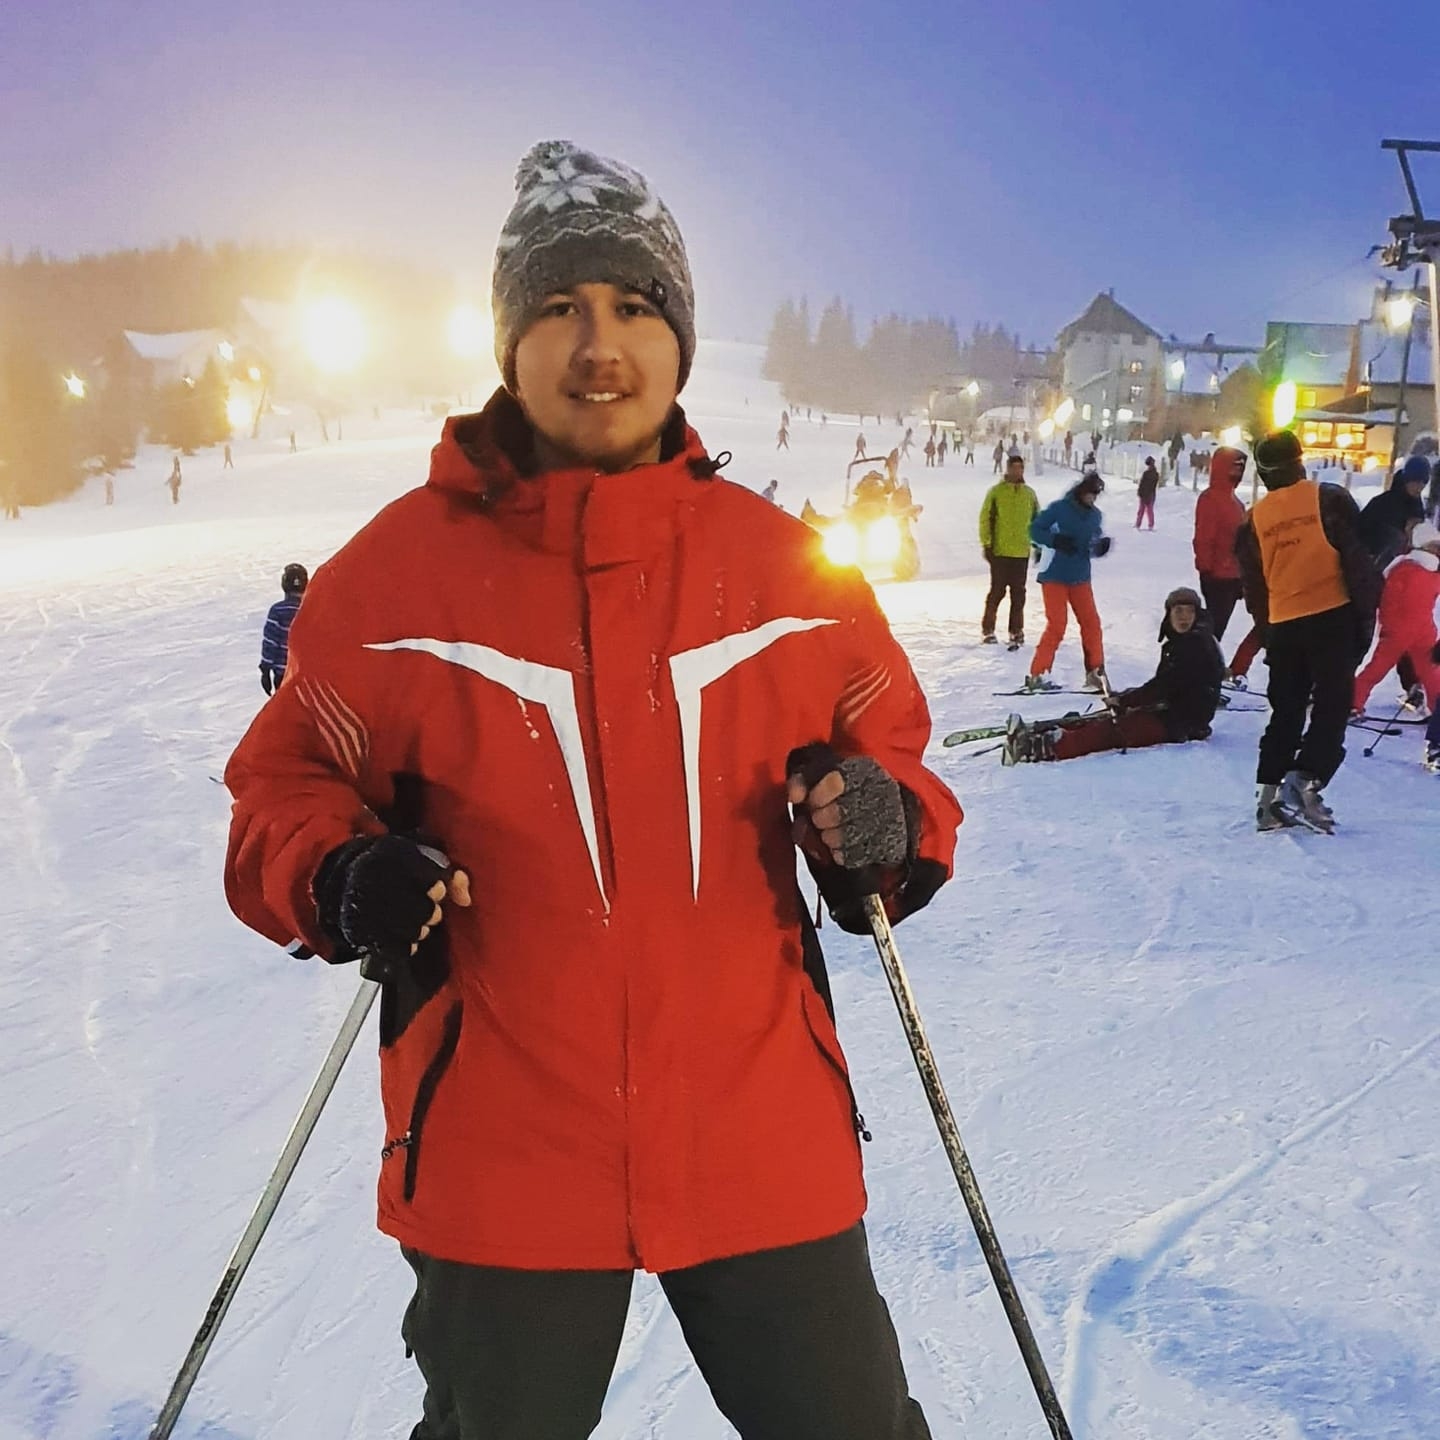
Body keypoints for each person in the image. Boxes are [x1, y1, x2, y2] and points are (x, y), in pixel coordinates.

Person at [222, 138, 961, 1440]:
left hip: (757, 1137)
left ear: (680, 339)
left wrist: (884, 820)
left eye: (632, 306)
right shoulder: (390, 585)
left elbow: (895, 754)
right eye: (559, 306)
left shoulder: (790, 579)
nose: (599, 344)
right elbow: (280, 792)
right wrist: (338, 872)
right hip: (504, 1152)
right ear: (510, 342)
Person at [1236, 430, 1379, 832]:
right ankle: (1305, 779)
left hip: (1284, 623)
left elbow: (1255, 588)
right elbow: (1359, 563)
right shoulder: (1329, 499)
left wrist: (1268, 633)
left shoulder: (1253, 521)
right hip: (1331, 615)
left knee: (1286, 710)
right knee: (1332, 705)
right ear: (1299, 462)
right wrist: (1363, 620)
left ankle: (1268, 800)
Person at [1004, 587, 1223, 762]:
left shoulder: (1195, 645)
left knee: (1113, 731)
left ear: (1197, 615)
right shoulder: (1183, 641)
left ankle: (1042, 747)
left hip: (1181, 723)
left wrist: (1126, 701)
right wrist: (1127, 699)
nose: (1184, 617)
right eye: (1178, 611)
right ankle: (1050, 732)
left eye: (1189, 611)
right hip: (1170, 712)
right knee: (1110, 717)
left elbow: (1164, 686)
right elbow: (1166, 686)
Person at [1352, 522, 1440, 763]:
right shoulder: (1427, 571)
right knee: (1429, 671)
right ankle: (1436, 710)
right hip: (1417, 629)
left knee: (1380, 668)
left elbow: (1387, 602)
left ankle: (1353, 703)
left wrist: (1387, 626)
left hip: (1404, 630)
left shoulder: (1401, 567)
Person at [1025, 471, 1111, 692]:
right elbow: (1034, 530)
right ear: (1081, 491)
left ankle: (1095, 671)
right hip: (1054, 575)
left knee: (1091, 624)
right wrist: (1054, 540)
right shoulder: (1059, 509)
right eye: (1090, 493)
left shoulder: (1095, 516)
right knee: (1057, 625)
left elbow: (1091, 542)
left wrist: (1099, 547)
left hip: (1080, 576)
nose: (1092, 498)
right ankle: (1038, 673)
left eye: (1096, 495)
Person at [978, 454, 1039, 647]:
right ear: (1007, 469)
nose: (1017, 471)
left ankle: (1016, 630)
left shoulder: (1029, 494)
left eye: (1020, 468)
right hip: (1000, 551)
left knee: (1018, 594)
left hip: (1021, 552)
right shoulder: (996, 493)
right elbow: (985, 518)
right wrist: (987, 544)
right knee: (997, 592)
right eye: (1014, 467)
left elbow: (1037, 521)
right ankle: (988, 629)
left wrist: (1038, 544)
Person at [1193, 446, 1248, 642]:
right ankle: (1200, 658)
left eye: (1240, 468)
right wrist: (1205, 570)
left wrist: (1243, 574)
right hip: (1217, 576)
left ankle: (1204, 657)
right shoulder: (1210, 499)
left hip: (1233, 576)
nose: (1237, 472)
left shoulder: (1236, 502)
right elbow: (1204, 537)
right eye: (1234, 467)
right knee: (1212, 631)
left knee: (1216, 630)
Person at [1359, 455, 1429, 568]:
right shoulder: (1382, 504)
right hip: (1376, 565)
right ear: (1407, 480)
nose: (1420, 486)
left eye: (1424, 482)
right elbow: (1363, 536)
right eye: (1416, 481)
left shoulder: (1417, 508)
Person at [259, 563, 307, 695]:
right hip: (304, 675)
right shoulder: (310, 610)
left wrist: (265, 668)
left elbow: (270, 642)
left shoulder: (277, 611)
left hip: (283, 674)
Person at [1136, 456, 1160, 529]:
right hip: (1151, 494)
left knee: (1141, 510)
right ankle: (1151, 525)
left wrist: (1140, 492)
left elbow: (1142, 484)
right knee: (1149, 510)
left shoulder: (1146, 473)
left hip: (1145, 493)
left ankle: (1138, 524)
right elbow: (1154, 485)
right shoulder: (1156, 474)